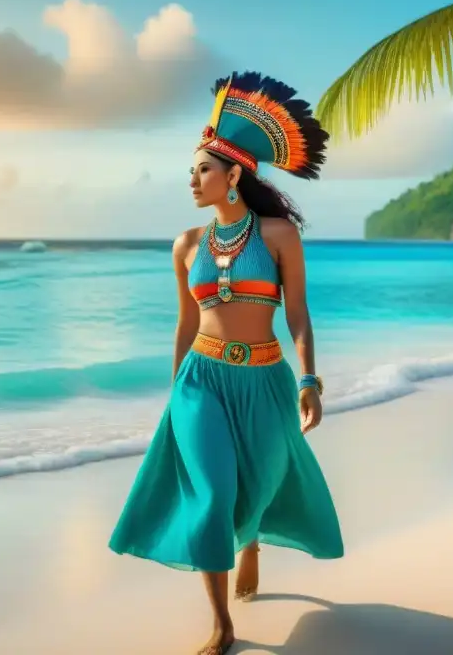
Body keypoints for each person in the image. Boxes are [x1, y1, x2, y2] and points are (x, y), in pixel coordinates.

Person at [108, 71, 344, 654]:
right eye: (191, 171)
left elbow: (298, 316)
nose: (193, 180)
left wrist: (310, 379)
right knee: (213, 495)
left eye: (203, 169)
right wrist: (174, 395)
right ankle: (223, 625)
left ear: (234, 174)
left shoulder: (279, 235)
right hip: (201, 383)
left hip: (264, 381)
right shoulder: (186, 245)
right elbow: (186, 324)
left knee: (255, 488)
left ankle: (252, 541)